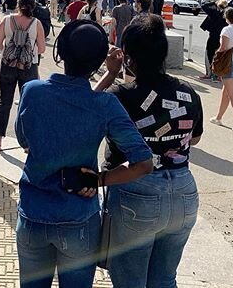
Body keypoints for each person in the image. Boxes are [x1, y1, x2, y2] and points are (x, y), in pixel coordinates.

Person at [14, 20, 153, 288]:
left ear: (61, 52)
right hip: (78, 218)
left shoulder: (32, 91)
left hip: (32, 214)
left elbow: (25, 141)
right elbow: (143, 163)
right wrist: (99, 180)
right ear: (98, 61)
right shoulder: (104, 105)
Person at [94, 14, 203, 288]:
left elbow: (86, 114)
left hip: (135, 190)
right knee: (164, 280)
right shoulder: (189, 93)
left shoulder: (122, 95)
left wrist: (109, 73)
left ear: (129, 56)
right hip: (184, 191)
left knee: (130, 279)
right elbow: (196, 138)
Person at [0, 0, 46, 152]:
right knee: (27, 104)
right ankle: (27, 143)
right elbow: (42, 49)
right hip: (28, 67)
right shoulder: (37, 24)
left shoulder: (6, 20)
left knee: (4, 103)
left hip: (8, 66)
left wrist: (11, 51)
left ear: (18, 4)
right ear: (33, 6)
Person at [210, 7, 233, 133]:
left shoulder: (226, 30)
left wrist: (216, 56)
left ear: (226, 18)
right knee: (226, 91)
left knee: (232, 95)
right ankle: (218, 117)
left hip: (228, 65)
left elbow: (223, 48)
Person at [200, 0, 228, 80]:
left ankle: (209, 73)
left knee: (209, 54)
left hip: (213, 36)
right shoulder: (226, 14)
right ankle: (219, 74)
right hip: (222, 37)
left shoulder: (213, 12)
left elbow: (204, 6)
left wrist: (214, 3)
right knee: (220, 55)